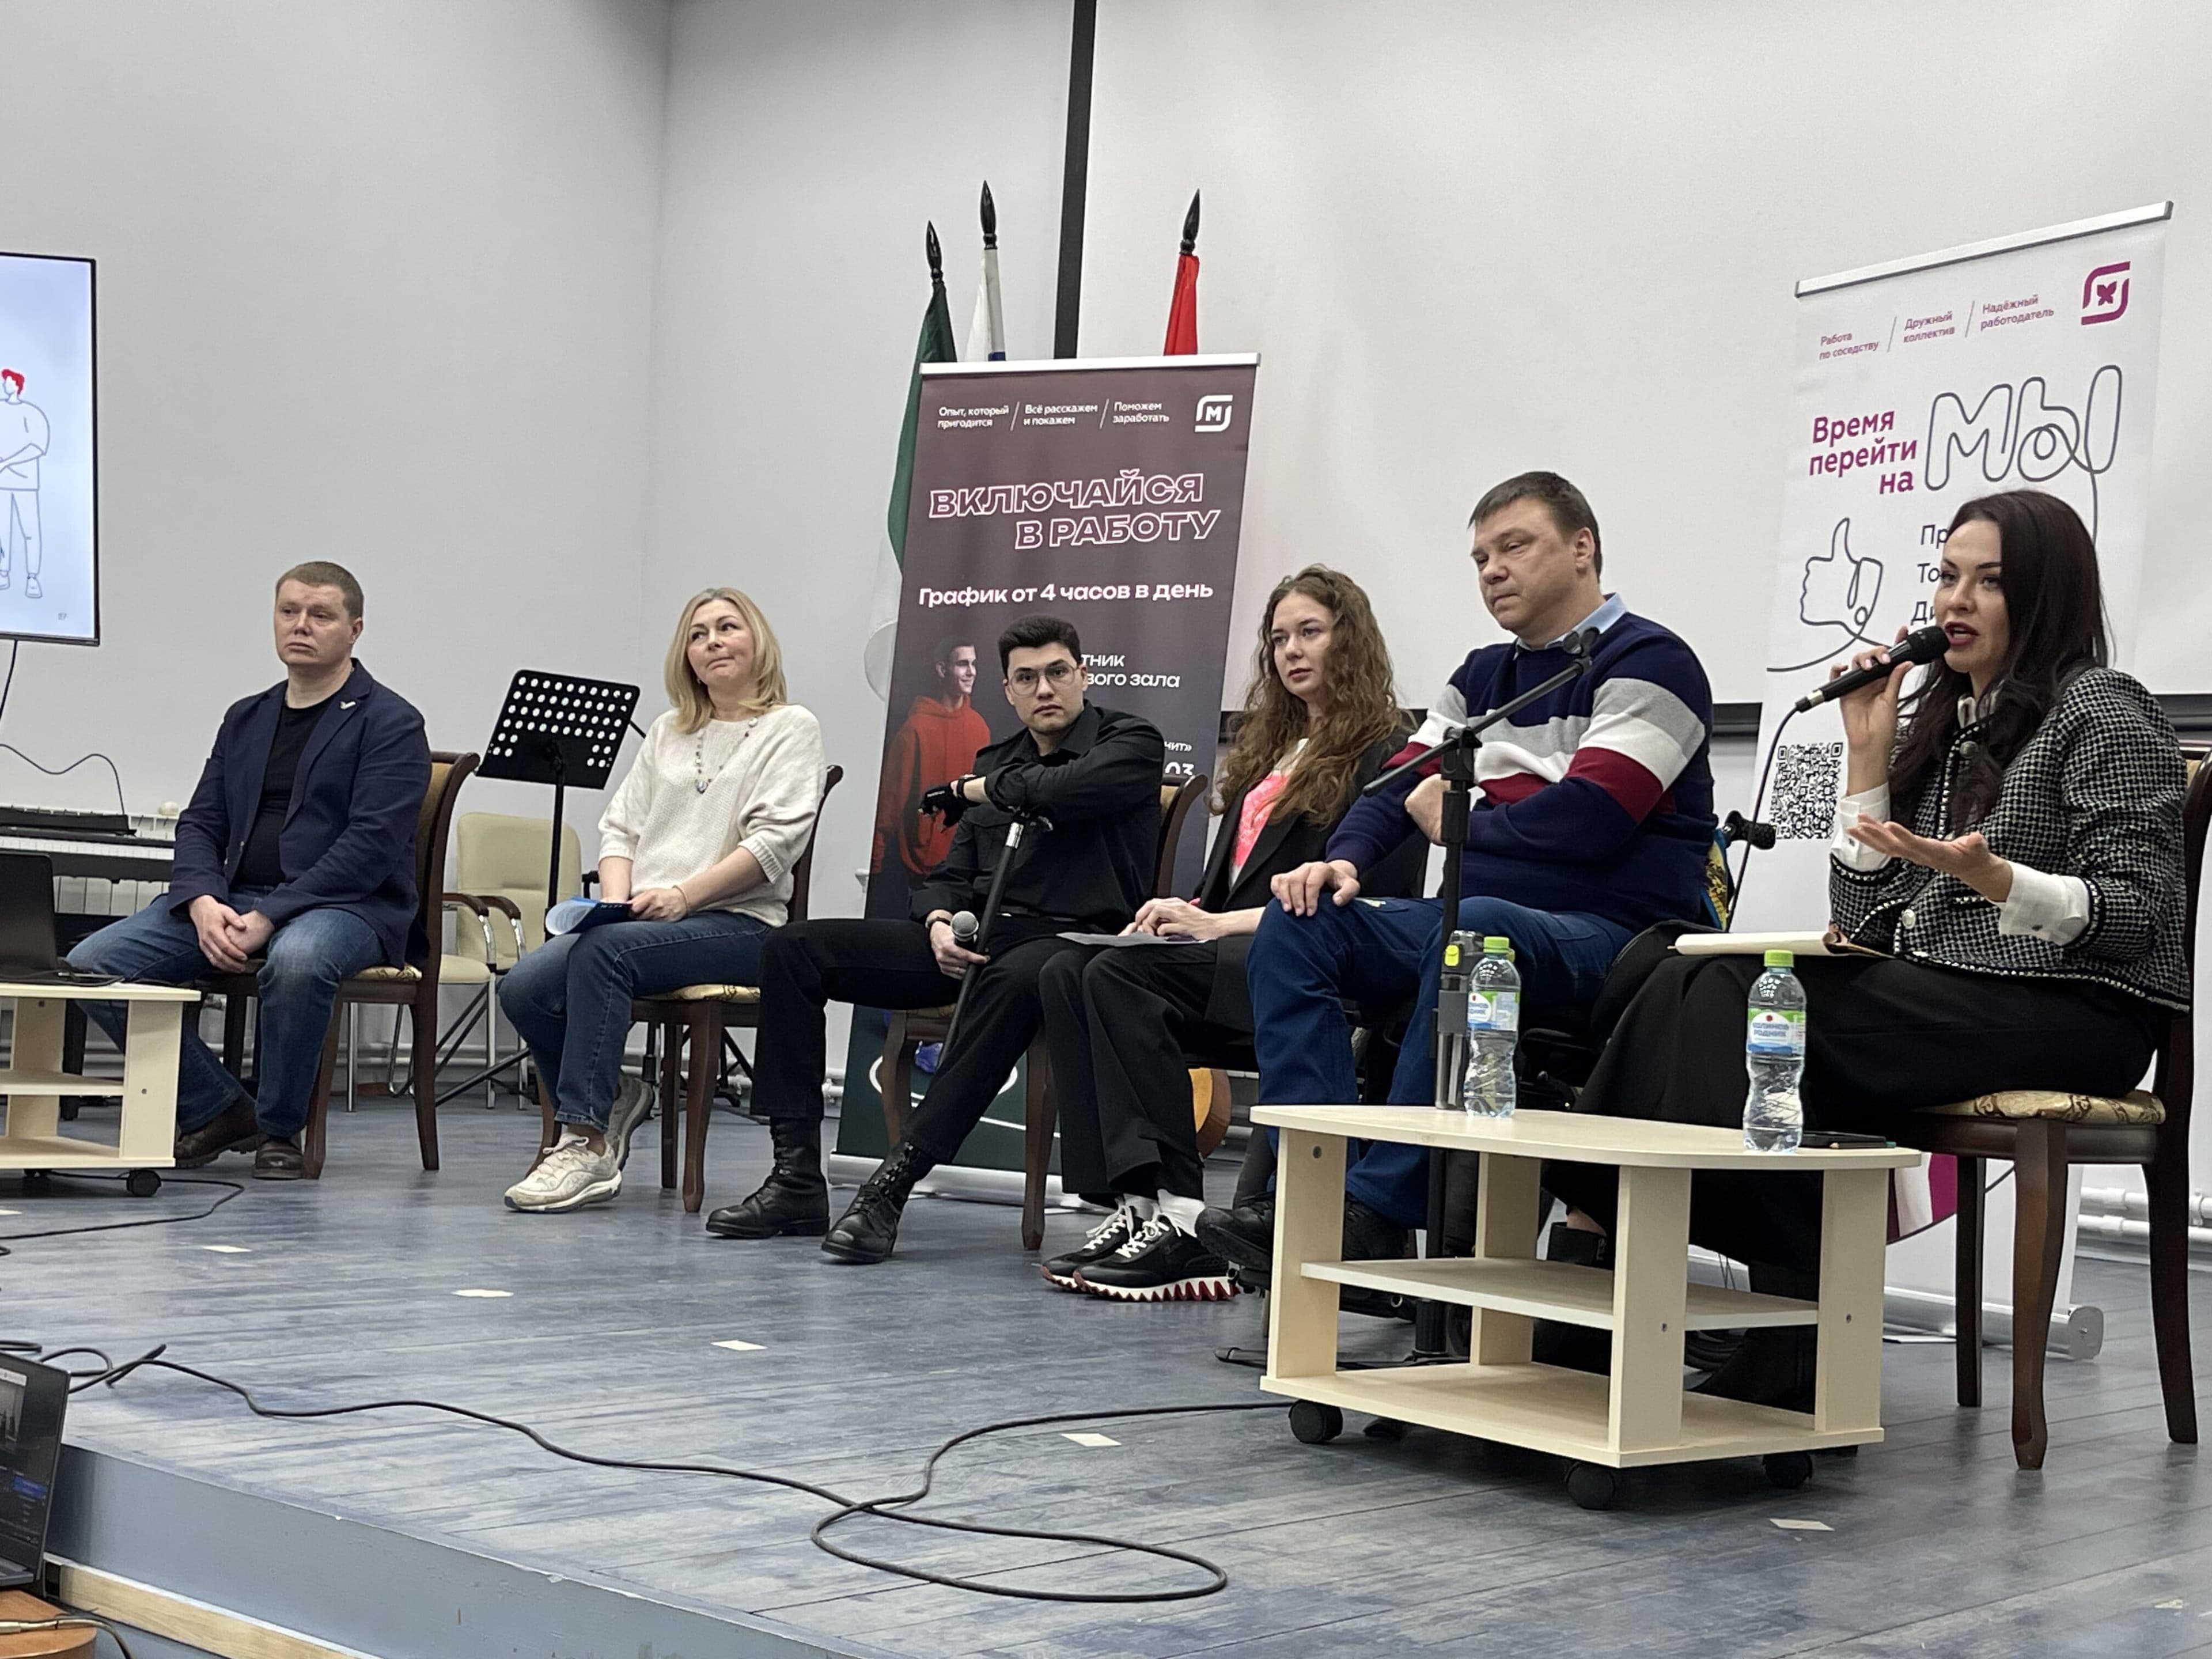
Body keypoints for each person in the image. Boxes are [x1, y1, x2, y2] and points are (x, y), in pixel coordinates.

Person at [1548, 488, 2188, 1405]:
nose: (1955, 601)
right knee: (1669, 966)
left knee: (1739, 998)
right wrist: (1867, 759)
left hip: (2078, 1010)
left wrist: (2002, 881)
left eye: (1989, 582)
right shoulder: (1952, 722)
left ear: (2045, 595)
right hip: (1958, 993)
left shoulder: (2105, 709)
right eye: (1948, 576)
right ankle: (1608, 1257)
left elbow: (2143, 914)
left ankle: (1773, 1313)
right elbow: (1866, 921)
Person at [1202, 472, 1717, 1273]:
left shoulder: (1652, 661)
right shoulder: (1481, 675)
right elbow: (1396, 785)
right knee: (1303, 923)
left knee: (1475, 934)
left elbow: (1594, 819)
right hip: (1480, 924)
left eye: (1514, 547)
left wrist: (1466, 824)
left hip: (1615, 938)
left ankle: (1378, 1211)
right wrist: (1341, 860)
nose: (1493, 571)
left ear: (1583, 549)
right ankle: (1312, 1193)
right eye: (1480, 558)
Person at [704, 614, 1165, 1263]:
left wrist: (975, 790)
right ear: (1007, 691)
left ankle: (892, 1185)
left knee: (1010, 980)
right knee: (794, 948)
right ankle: (796, 1179)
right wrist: (940, 921)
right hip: (978, 938)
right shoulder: (996, 761)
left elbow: (1062, 790)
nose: (1044, 689)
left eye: (1058, 673)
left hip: (1073, 943)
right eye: (1026, 679)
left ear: (1083, 675)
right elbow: (949, 874)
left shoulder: (1130, 742)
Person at [1036, 566, 1422, 1301]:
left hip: (1312, 967)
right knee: (1066, 970)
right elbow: (1233, 889)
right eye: (1278, 638)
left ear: (1351, 639)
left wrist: (1212, 924)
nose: (1291, 650)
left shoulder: (1388, 749)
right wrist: (1179, 911)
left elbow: (1371, 902)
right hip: (1228, 952)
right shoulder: (1272, 748)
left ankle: (1185, 1220)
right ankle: (1135, 1202)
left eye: (1310, 632)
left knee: (1119, 977)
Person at [67, 563, 430, 1178]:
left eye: (320, 615)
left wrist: (271, 914)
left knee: (299, 960)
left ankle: (281, 1130)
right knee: (93, 964)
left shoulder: (391, 722)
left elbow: (370, 847)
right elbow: (201, 822)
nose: (301, 625)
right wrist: (202, 901)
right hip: (235, 896)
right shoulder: (247, 717)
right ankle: (220, 1108)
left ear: (355, 629)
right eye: (289, 611)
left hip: (348, 906)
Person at [500, 586, 824, 1214]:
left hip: (741, 924)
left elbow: (773, 845)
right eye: (698, 635)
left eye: (728, 628)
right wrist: (615, 905)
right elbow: (619, 830)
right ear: (686, 656)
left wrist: (683, 895)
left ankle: (586, 1143)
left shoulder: (791, 727)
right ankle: (618, 1093)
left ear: (757, 642)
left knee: (606, 955)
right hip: (644, 925)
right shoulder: (670, 731)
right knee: (524, 988)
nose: (713, 642)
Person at [872, 634, 990, 895]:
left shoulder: (979, 727)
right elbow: (891, 801)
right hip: (921, 869)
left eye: (974, 664)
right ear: (942, 669)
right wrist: (875, 863)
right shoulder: (915, 730)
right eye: (963, 664)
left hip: (969, 865)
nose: (971, 672)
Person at [0, 370, 49, 599]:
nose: (4, 384)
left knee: (30, 531)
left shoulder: (32, 413)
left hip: (26, 483)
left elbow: (38, 447)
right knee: (2, 531)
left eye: (8, 381)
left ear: (18, 385)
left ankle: (32, 577)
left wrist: (7, 462)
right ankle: (3, 572)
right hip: (1, 483)